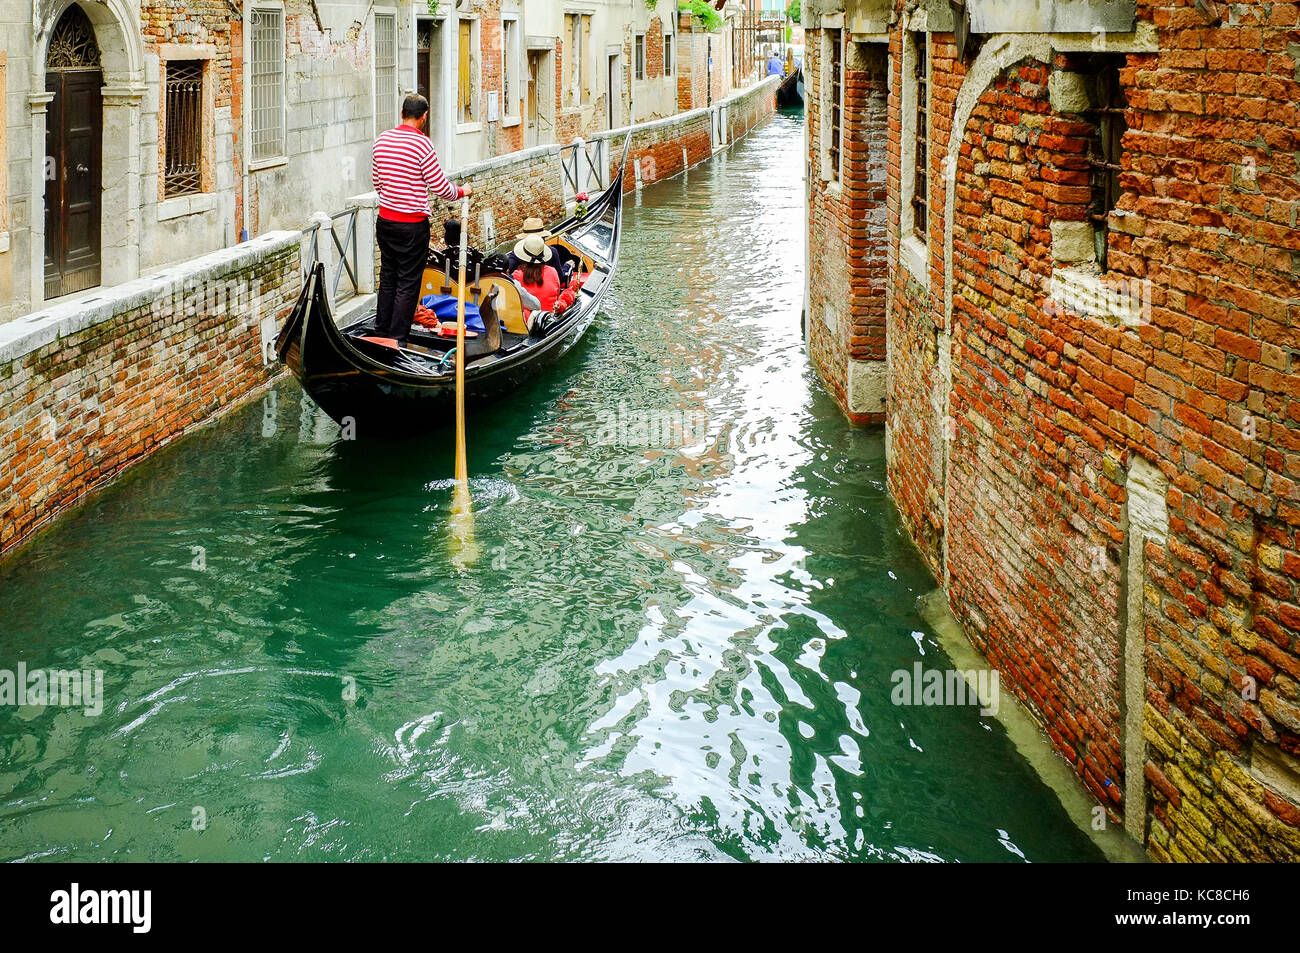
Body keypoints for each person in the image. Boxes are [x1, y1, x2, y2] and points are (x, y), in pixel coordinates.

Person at [371, 93, 472, 345]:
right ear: (424, 116)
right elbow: (440, 187)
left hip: (385, 222)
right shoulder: (422, 144)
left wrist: (394, 199)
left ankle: (380, 331)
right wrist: (462, 192)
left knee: (388, 277)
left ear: (402, 113)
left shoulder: (381, 140)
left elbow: (377, 183)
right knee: (407, 282)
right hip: (412, 226)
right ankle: (396, 339)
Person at [511, 234, 562, 318]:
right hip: (549, 318)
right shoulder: (553, 271)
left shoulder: (517, 275)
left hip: (529, 321)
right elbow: (557, 293)